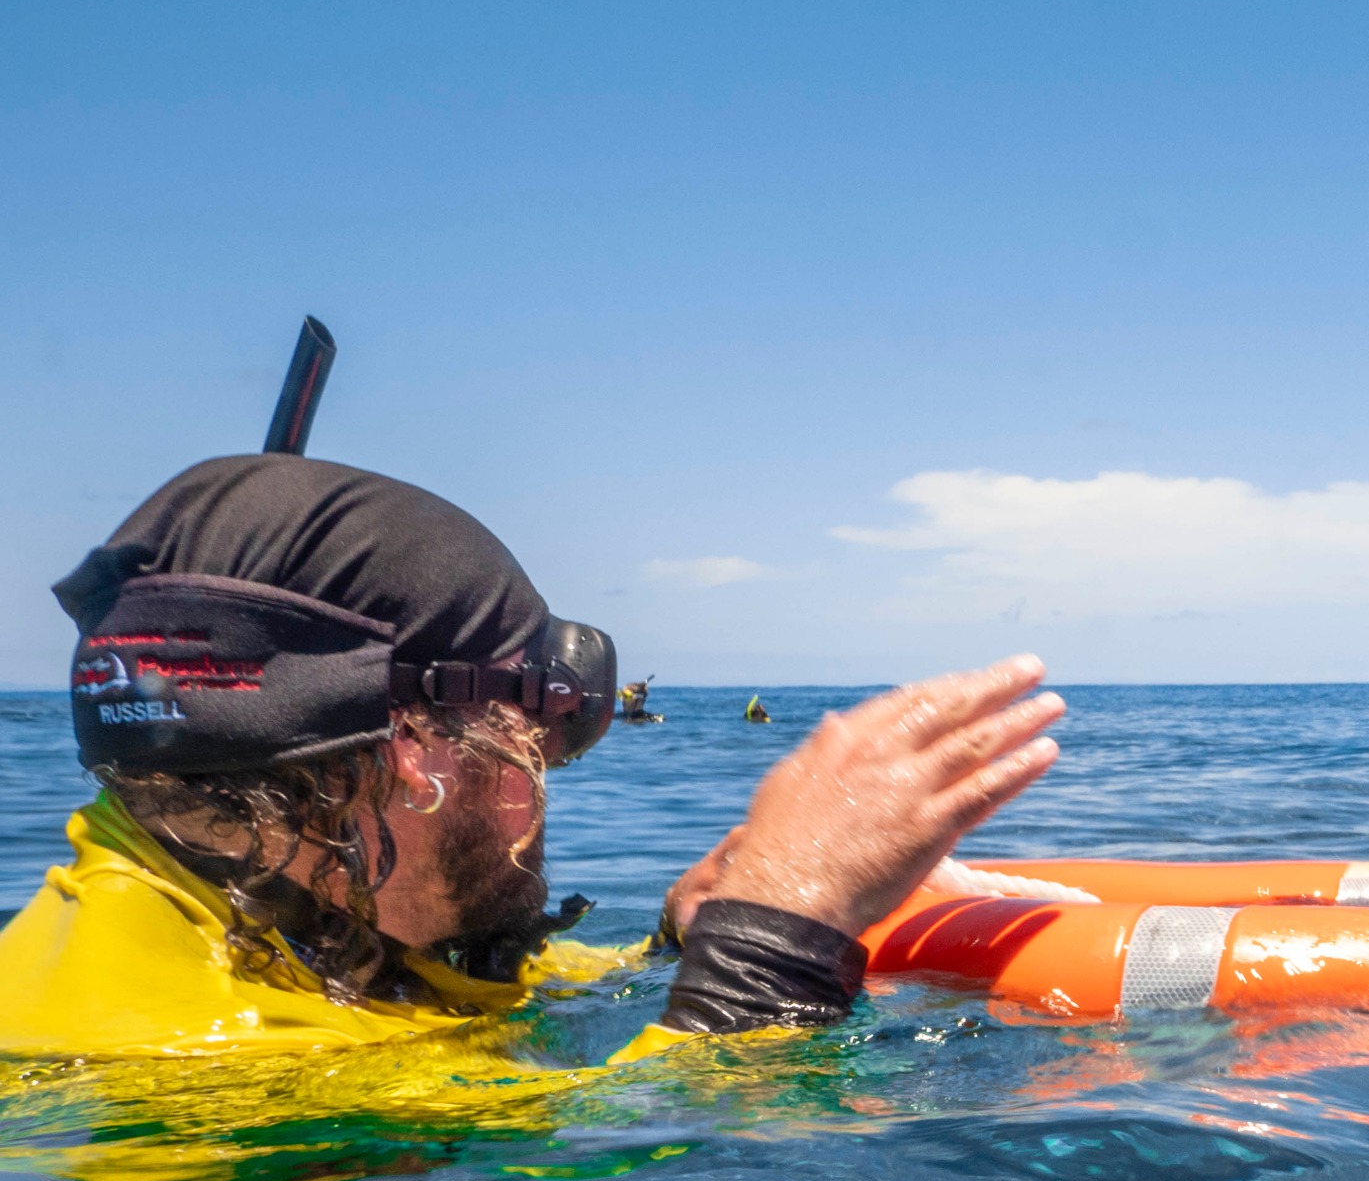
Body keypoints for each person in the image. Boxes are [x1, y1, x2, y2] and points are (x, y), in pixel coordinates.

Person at [0, 452, 1062, 1059]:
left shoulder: (218, 922)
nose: (545, 786)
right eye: (538, 740)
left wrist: (677, 950)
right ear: (420, 755)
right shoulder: (178, 1068)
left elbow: (444, 1006)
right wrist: (780, 942)